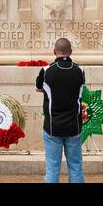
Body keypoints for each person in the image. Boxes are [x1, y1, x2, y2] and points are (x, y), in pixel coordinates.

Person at [35, 37, 86, 183]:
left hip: (53, 127)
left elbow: (39, 88)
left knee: (52, 167)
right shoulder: (79, 70)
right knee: (76, 167)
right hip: (74, 127)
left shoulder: (46, 70)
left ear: (54, 52)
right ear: (70, 52)